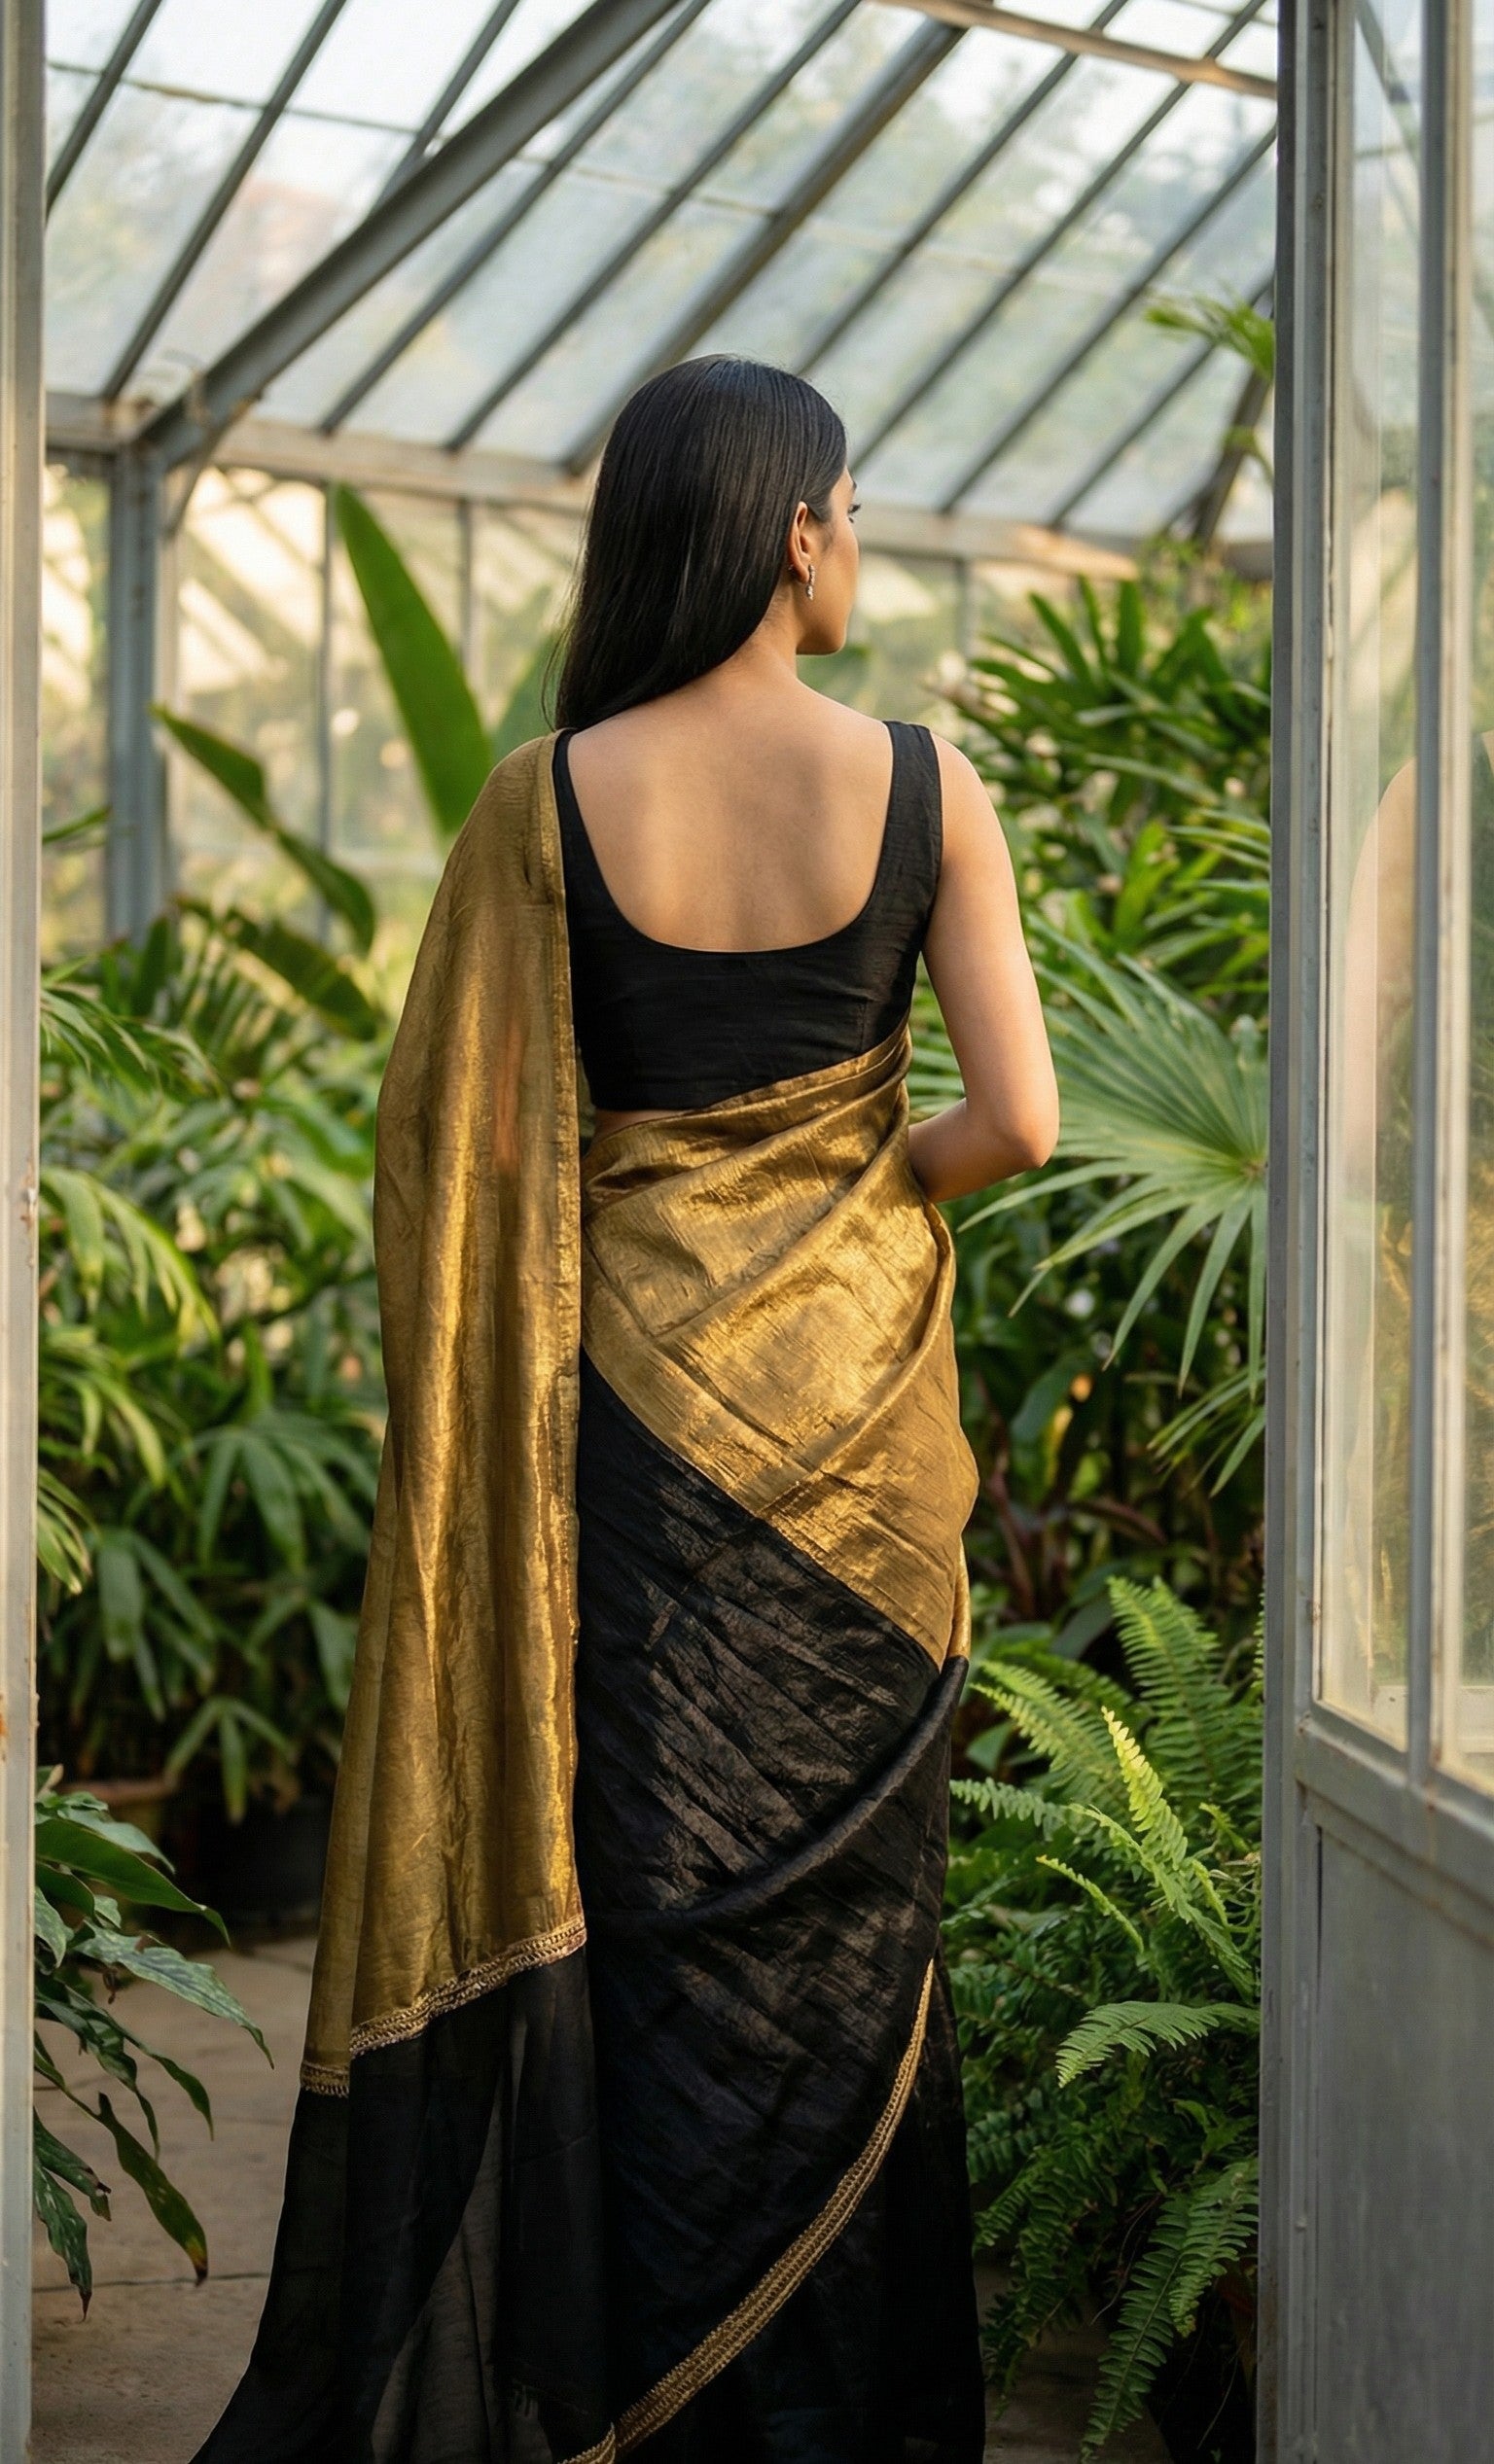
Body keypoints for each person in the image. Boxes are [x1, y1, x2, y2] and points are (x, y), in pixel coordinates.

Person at [193, 356, 1057, 2464]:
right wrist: (856, 1185)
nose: (857, 539)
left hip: (631, 1476)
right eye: (847, 506)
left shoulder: (541, 804)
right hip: (861, 1488)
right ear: (789, 529)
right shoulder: (932, 790)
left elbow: (457, 1166)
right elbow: (1018, 1124)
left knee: (653, 1952)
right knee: (858, 1973)